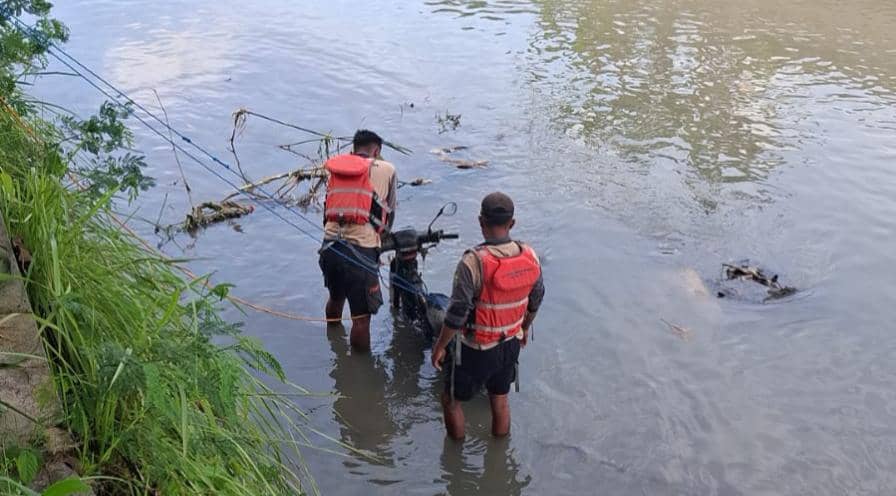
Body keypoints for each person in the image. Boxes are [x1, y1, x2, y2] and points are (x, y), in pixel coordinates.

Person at [431, 192, 545, 439]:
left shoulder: (472, 262)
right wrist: (524, 328)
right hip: (510, 344)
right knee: (500, 400)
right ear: (512, 223)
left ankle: (455, 455)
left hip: (476, 349)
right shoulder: (530, 256)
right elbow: (536, 299)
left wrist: (440, 346)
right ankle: (500, 451)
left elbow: (457, 313)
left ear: (480, 221)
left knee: (451, 400)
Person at [319, 130, 397, 350]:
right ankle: (360, 365)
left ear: (353, 149)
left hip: (330, 248)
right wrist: (379, 243)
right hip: (361, 253)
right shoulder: (387, 169)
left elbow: (327, 209)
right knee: (361, 319)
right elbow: (389, 215)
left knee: (336, 298)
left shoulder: (337, 169)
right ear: (377, 151)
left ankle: (333, 343)